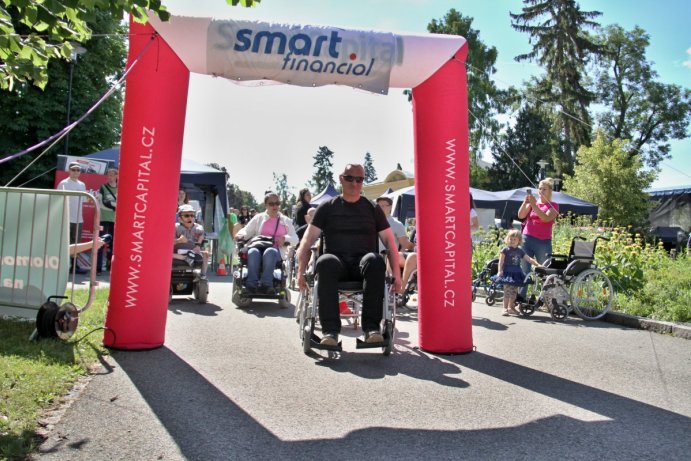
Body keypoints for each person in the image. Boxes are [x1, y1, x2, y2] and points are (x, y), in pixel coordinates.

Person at [297, 164, 402, 346]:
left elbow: (390, 242)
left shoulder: (372, 208)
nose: (355, 183)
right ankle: (330, 332)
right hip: (336, 266)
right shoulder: (327, 207)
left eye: (359, 179)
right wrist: (300, 271)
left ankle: (371, 329)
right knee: (325, 261)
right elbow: (307, 240)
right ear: (341, 179)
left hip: (363, 267)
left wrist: (397, 275)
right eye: (350, 178)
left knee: (376, 260)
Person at [236, 192, 298, 293]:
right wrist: (240, 235)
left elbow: (295, 239)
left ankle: (266, 284)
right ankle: (251, 284)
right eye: (271, 204)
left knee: (270, 251)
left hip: (276, 249)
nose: (275, 206)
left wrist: (285, 238)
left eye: (277, 203)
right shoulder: (258, 218)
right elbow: (246, 231)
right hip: (258, 246)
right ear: (265, 205)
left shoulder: (286, 220)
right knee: (253, 252)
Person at [517, 178, 559, 299]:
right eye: (539, 188)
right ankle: (521, 296)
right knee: (524, 268)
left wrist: (534, 205)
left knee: (545, 270)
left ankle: (548, 299)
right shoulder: (533, 203)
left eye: (544, 189)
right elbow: (521, 215)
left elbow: (546, 218)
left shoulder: (553, 205)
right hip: (527, 238)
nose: (541, 191)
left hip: (543, 242)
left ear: (550, 191)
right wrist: (525, 203)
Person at [493, 229, 541, 316]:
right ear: (507, 239)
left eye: (514, 239)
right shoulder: (505, 250)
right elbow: (501, 262)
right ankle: (504, 308)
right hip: (507, 273)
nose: (512, 241)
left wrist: (537, 264)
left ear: (519, 240)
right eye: (510, 239)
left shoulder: (520, 251)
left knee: (514, 292)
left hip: (517, 274)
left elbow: (528, 259)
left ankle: (511, 307)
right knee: (507, 291)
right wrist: (500, 271)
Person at [57, 162, 88, 274]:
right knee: (65, 242)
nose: (76, 172)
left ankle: (74, 266)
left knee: (76, 243)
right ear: (69, 171)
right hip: (66, 218)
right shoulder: (63, 183)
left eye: (78, 170)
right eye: (73, 170)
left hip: (79, 219)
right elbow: (58, 201)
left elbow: (84, 200)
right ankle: (62, 265)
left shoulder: (82, 184)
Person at [376, 195, 414, 276]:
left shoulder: (397, 224)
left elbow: (405, 245)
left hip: (388, 262)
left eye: (383, 205)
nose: (380, 208)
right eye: (378, 206)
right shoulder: (371, 222)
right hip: (373, 260)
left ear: (390, 207)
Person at [173, 204, 209, 278]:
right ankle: (185, 258)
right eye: (186, 216)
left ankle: (203, 275)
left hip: (193, 251)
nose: (190, 218)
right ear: (180, 218)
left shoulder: (198, 227)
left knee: (206, 253)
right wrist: (179, 241)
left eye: (192, 215)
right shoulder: (175, 227)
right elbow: (168, 242)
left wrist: (198, 246)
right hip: (178, 252)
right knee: (164, 254)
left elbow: (202, 236)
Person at [97, 168, 117, 275]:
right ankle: (98, 269)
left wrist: (110, 204)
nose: (110, 177)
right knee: (100, 243)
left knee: (113, 245)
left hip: (116, 221)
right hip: (104, 219)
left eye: (112, 175)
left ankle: (110, 266)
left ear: (116, 176)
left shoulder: (120, 187)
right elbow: (101, 203)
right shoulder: (103, 187)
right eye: (108, 175)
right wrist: (114, 205)